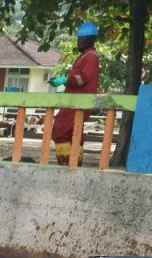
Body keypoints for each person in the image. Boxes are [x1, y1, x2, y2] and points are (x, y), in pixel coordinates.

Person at [50, 21, 101, 166]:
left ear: (90, 39)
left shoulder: (91, 56)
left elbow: (82, 79)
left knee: (61, 129)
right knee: (73, 132)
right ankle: (73, 163)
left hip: (79, 102)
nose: (79, 42)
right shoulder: (85, 56)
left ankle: (67, 163)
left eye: (82, 39)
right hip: (74, 100)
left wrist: (65, 80)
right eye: (78, 39)